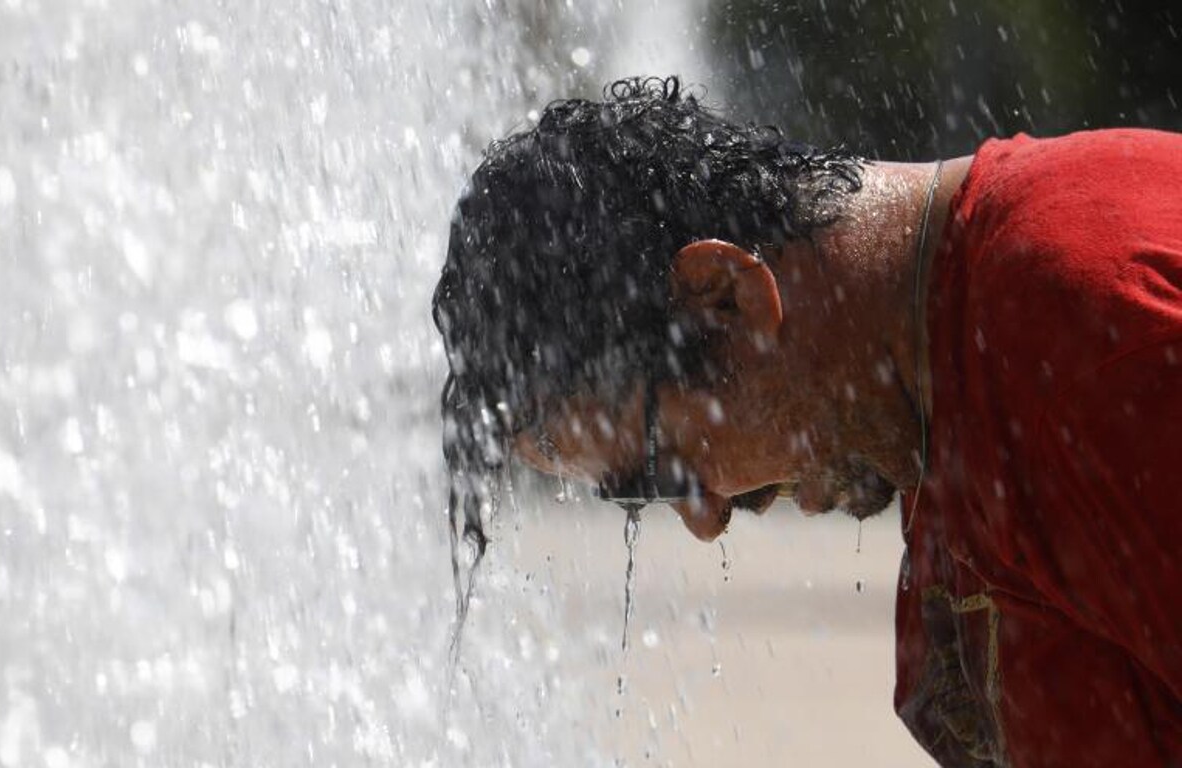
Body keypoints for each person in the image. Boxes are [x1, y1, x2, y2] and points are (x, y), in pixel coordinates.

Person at [432, 76, 1182, 766]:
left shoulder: (1086, 342)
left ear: (728, 299)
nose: (705, 519)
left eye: (659, 469)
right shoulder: (953, 392)